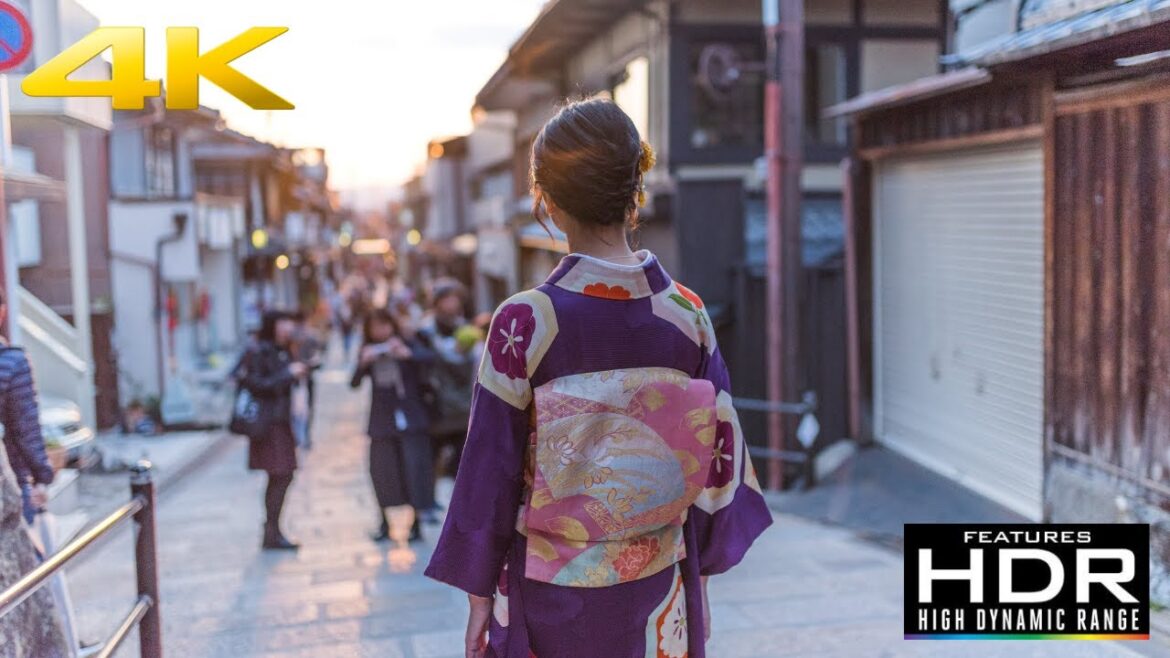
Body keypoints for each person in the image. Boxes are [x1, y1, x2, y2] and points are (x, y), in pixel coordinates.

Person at [425, 99, 772, 658]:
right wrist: (701, 579)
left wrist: (478, 591)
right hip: (659, 586)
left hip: (551, 594)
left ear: (546, 199)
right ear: (635, 189)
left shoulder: (526, 321)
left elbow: (490, 464)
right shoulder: (687, 315)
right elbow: (718, 458)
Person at [0, 291, 70, 658]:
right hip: (12, 491)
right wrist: (43, 475)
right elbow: (26, 431)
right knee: (30, 593)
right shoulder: (11, 362)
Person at [351, 309, 436, 542]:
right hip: (382, 419)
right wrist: (363, 362)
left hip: (411, 416)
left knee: (414, 470)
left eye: (384, 325)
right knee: (382, 470)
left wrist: (407, 354)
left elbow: (430, 358)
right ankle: (384, 522)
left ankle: (416, 522)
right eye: (375, 327)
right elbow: (354, 383)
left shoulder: (406, 342)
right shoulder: (367, 349)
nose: (380, 331)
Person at [237, 310, 307, 550]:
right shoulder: (260, 351)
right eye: (282, 322)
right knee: (280, 474)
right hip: (269, 424)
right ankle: (271, 531)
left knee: (283, 475)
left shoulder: (285, 349)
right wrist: (287, 374)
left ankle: (273, 530)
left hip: (283, 421)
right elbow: (255, 383)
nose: (288, 326)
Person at [418, 279, 475, 479]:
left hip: (463, 406)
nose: (451, 304)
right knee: (433, 463)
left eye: (454, 299)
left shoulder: (465, 329)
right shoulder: (425, 332)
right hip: (436, 406)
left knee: (461, 465)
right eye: (447, 299)